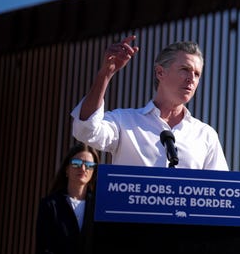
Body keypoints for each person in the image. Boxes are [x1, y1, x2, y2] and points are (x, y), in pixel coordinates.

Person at [71, 35, 228, 170]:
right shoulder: (125, 122)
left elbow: (221, 190)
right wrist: (106, 73)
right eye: (184, 69)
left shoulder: (205, 135)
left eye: (197, 74)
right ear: (160, 72)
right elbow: (85, 131)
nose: (191, 79)